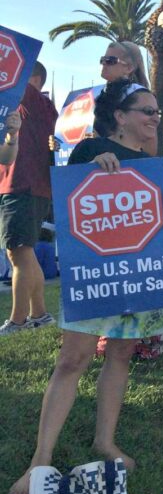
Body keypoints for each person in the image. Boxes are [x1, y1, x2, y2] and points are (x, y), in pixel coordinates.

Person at [9, 79, 163, 494]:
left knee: (120, 353)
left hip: (137, 274)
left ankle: (105, 441)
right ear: (120, 116)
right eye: (147, 111)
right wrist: (94, 169)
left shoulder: (150, 160)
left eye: (156, 112)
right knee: (72, 360)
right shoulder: (88, 149)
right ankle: (40, 460)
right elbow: (67, 203)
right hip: (94, 274)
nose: (155, 118)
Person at [0, 61, 58, 336]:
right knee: (25, 252)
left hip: (22, 186)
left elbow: (15, 71)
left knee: (18, 252)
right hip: (29, 187)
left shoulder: (34, 102)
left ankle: (18, 320)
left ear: (31, 79)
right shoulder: (41, 109)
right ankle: (38, 314)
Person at [95, 42, 154, 154]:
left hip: (125, 165)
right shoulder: (103, 95)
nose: (104, 64)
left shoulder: (138, 97)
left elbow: (150, 146)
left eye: (110, 61)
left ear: (129, 68)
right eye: (103, 60)